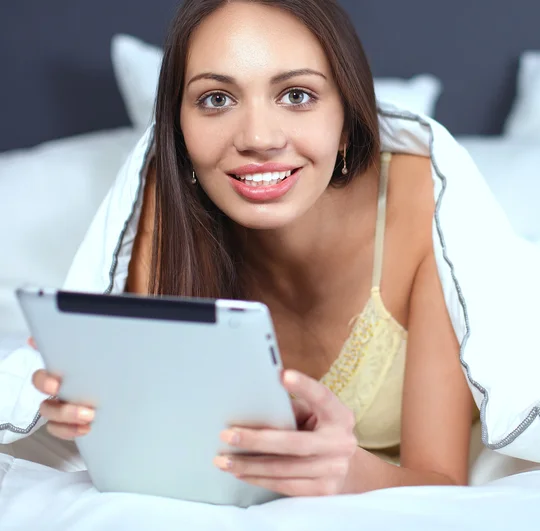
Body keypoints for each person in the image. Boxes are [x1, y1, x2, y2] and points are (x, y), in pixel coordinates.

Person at [16, 0, 478, 496]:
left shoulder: (426, 200)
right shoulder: (160, 209)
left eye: (297, 95)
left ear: (346, 120)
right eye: (216, 99)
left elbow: (443, 483)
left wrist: (343, 471)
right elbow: (165, 439)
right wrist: (100, 416)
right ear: (180, 132)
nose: (258, 138)